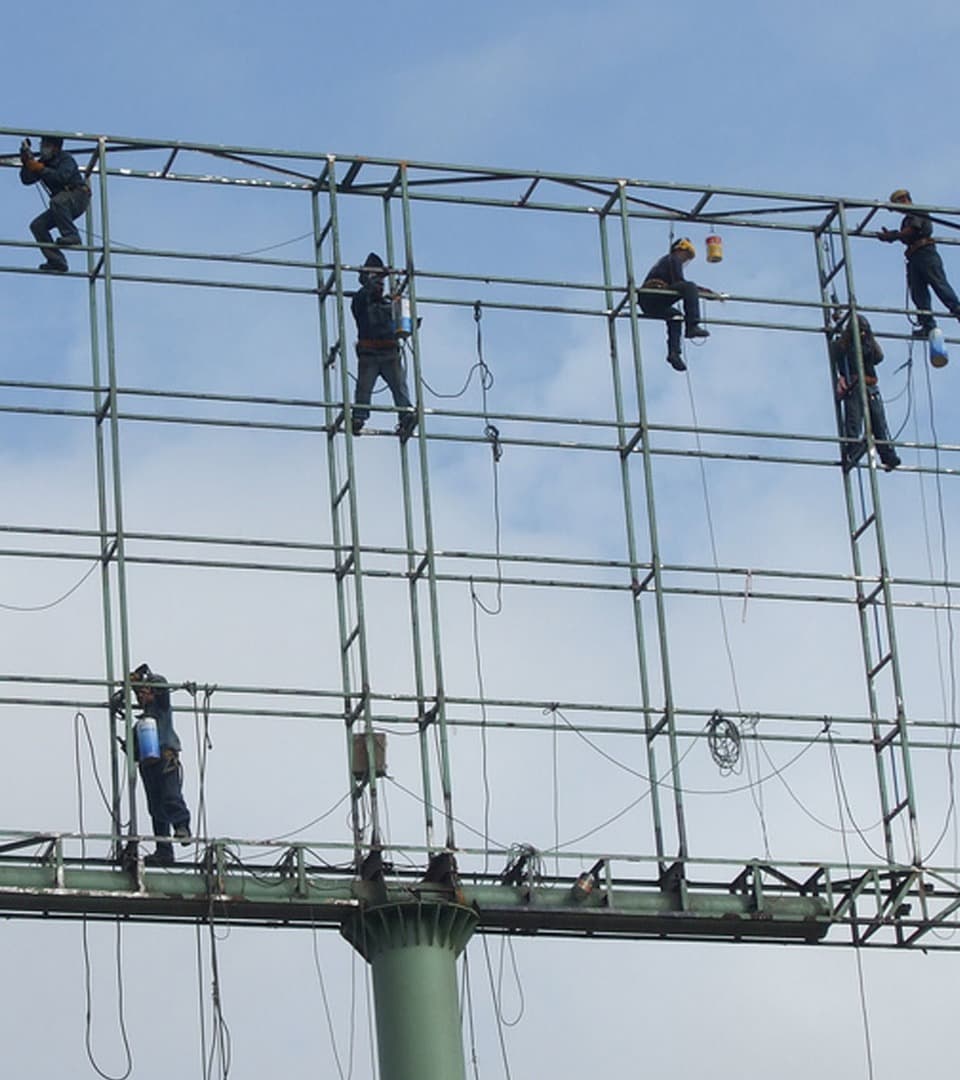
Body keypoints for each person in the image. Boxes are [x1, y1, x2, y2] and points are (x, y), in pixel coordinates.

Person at [117, 664, 192, 867]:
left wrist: (144, 679)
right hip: (148, 766)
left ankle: (182, 826)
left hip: (166, 758)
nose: (141, 698)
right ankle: (164, 850)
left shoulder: (161, 709)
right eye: (139, 695)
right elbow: (134, 754)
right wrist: (128, 746)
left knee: (170, 796)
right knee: (156, 809)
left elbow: (162, 684)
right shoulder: (139, 725)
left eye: (144, 693)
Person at [350, 252, 417, 437]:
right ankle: (358, 418)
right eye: (376, 280)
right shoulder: (360, 301)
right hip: (369, 353)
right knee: (363, 389)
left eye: (381, 281)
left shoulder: (389, 303)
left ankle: (406, 417)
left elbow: (400, 324)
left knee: (400, 388)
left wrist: (411, 323)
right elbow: (366, 292)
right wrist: (376, 276)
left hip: (389, 352)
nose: (380, 284)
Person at [879, 189, 960, 336]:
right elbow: (906, 235)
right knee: (918, 292)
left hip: (925, 253)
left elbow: (912, 231)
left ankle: (957, 308)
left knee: (938, 283)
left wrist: (894, 235)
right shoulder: (906, 220)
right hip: (914, 256)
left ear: (905, 200)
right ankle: (928, 325)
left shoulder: (916, 212)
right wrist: (893, 235)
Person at [638, 238, 723, 372]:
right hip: (653, 294)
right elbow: (681, 283)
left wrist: (707, 293)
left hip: (649, 301)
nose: (685, 260)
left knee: (675, 316)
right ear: (680, 250)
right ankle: (692, 325)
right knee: (689, 287)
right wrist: (705, 293)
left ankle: (674, 354)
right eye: (686, 255)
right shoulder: (673, 259)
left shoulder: (666, 261)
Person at [830, 314, 900, 472]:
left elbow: (878, 356)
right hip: (855, 386)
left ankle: (888, 456)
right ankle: (854, 448)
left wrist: (867, 336)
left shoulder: (866, 344)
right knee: (854, 420)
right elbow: (838, 351)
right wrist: (842, 327)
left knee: (878, 423)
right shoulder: (845, 345)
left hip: (870, 385)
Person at [18, 135, 91, 274]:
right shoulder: (43, 163)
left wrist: (40, 169)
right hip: (62, 203)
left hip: (78, 195)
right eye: (43, 145)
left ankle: (72, 235)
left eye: (47, 145)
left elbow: (62, 177)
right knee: (38, 225)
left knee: (57, 202)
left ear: (55, 148)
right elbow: (27, 179)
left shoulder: (65, 159)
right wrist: (27, 163)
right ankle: (56, 260)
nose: (43, 148)